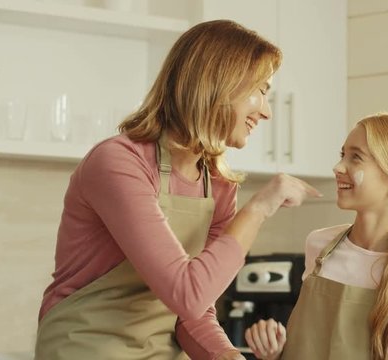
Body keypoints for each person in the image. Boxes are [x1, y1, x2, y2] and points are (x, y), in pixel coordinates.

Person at [34, 20, 321, 360]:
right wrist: (258, 209)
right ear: (219, 83)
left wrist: (226, 355)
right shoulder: (117, 163)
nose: (267, 111)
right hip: (85, 347)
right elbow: (187, 293)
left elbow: (195, 312)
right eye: (260, 90)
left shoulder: (218, 184)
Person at [244, 113, 388, 360]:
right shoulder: (318, 247)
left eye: (356, 157)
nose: (338, 167)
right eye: (342, 155)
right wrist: (276, 353)